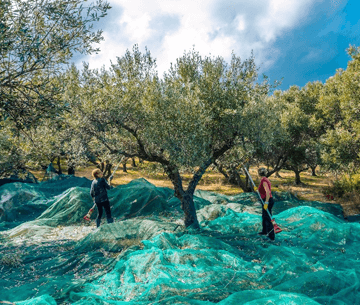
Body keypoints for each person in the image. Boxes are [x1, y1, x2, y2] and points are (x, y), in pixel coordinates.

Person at [257, 167, 275, 240]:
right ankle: (264, 231)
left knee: (267, 218)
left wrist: (266, 203)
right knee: (264, 217)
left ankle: (271, 236)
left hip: (267, 200)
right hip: (266, 200)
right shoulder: (265, 179)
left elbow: (268, 192)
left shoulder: (264, 180)